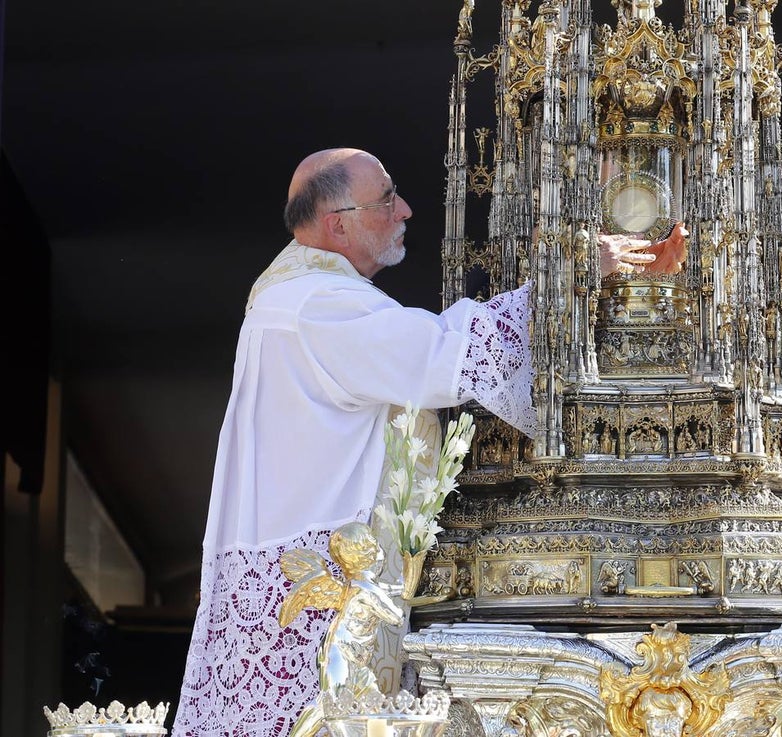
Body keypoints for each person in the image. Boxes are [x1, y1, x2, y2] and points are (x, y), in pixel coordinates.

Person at [172, 148, 538, 737]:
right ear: (337, 222)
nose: (406, 210)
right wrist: (559, 290)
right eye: (387, 199)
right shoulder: (314, 304)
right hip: (317, 587)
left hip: (306, 563)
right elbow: (435, 356)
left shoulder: (298, 293)